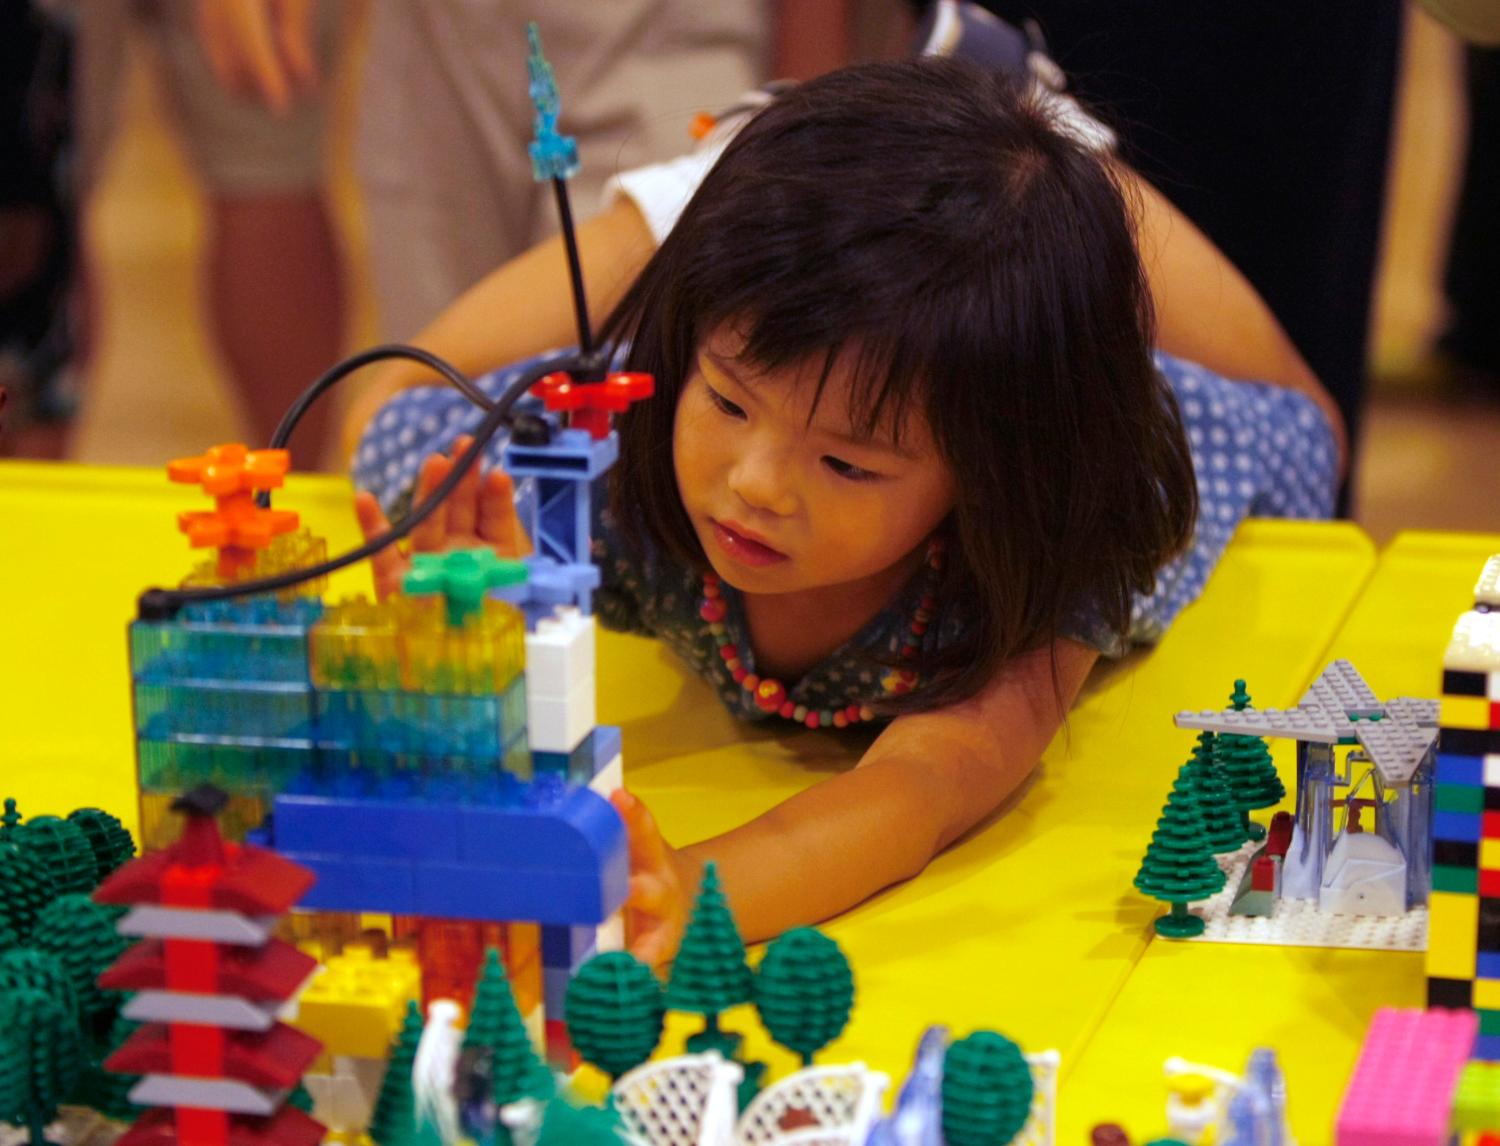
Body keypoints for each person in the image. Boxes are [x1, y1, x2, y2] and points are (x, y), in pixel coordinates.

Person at [348, 59, 1342, 964]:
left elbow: (915, 792)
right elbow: (396, 425)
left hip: (1154, 417)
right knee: (400, 428)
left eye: (847, 466)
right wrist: (472, 649)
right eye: (728, 401)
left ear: (981, 488)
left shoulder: (1051, 539)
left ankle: (1045, 147)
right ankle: (689, 208)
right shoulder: (606, 466)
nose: (755, 483)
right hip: (814, 334)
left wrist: (675, 895)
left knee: (1311, 426)